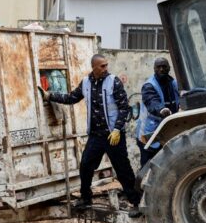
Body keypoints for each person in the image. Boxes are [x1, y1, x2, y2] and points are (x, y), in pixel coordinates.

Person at [42, 54, 143, 212]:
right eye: (102, 66)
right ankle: (86, 199)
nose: (105, 68)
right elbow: (72, 98)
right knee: (85, 165)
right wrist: (50, 96)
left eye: (106, 65)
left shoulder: (113, 82)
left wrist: (117, 129)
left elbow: (124, 108)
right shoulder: (86, 83)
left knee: (123, 169)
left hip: (113, 135)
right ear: (94, 67)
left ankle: (136, 203)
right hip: (96, 135)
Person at [138, 57, 180, 166]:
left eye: (164, 67)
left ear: (169, 68)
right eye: (158, 67)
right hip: (150, 134)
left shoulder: (174, 83)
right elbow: (152, 102)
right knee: (148, 167)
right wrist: (162, 110)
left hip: (167, 132)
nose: (161, 69)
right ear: (154, 69)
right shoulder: (149, 86)